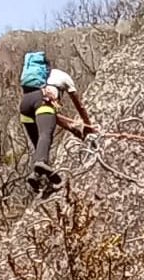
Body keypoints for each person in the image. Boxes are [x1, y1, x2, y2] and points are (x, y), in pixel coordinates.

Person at [18, 51, 95, 190]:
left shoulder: (36, 82)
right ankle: (40, 164)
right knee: (45, 136)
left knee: (40, 146)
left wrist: (72, 129)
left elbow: (50, 118)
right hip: (43, 102)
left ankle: (37, 177)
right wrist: (87, 124)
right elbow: (79, 105)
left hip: (25, 106)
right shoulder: (64, 77)